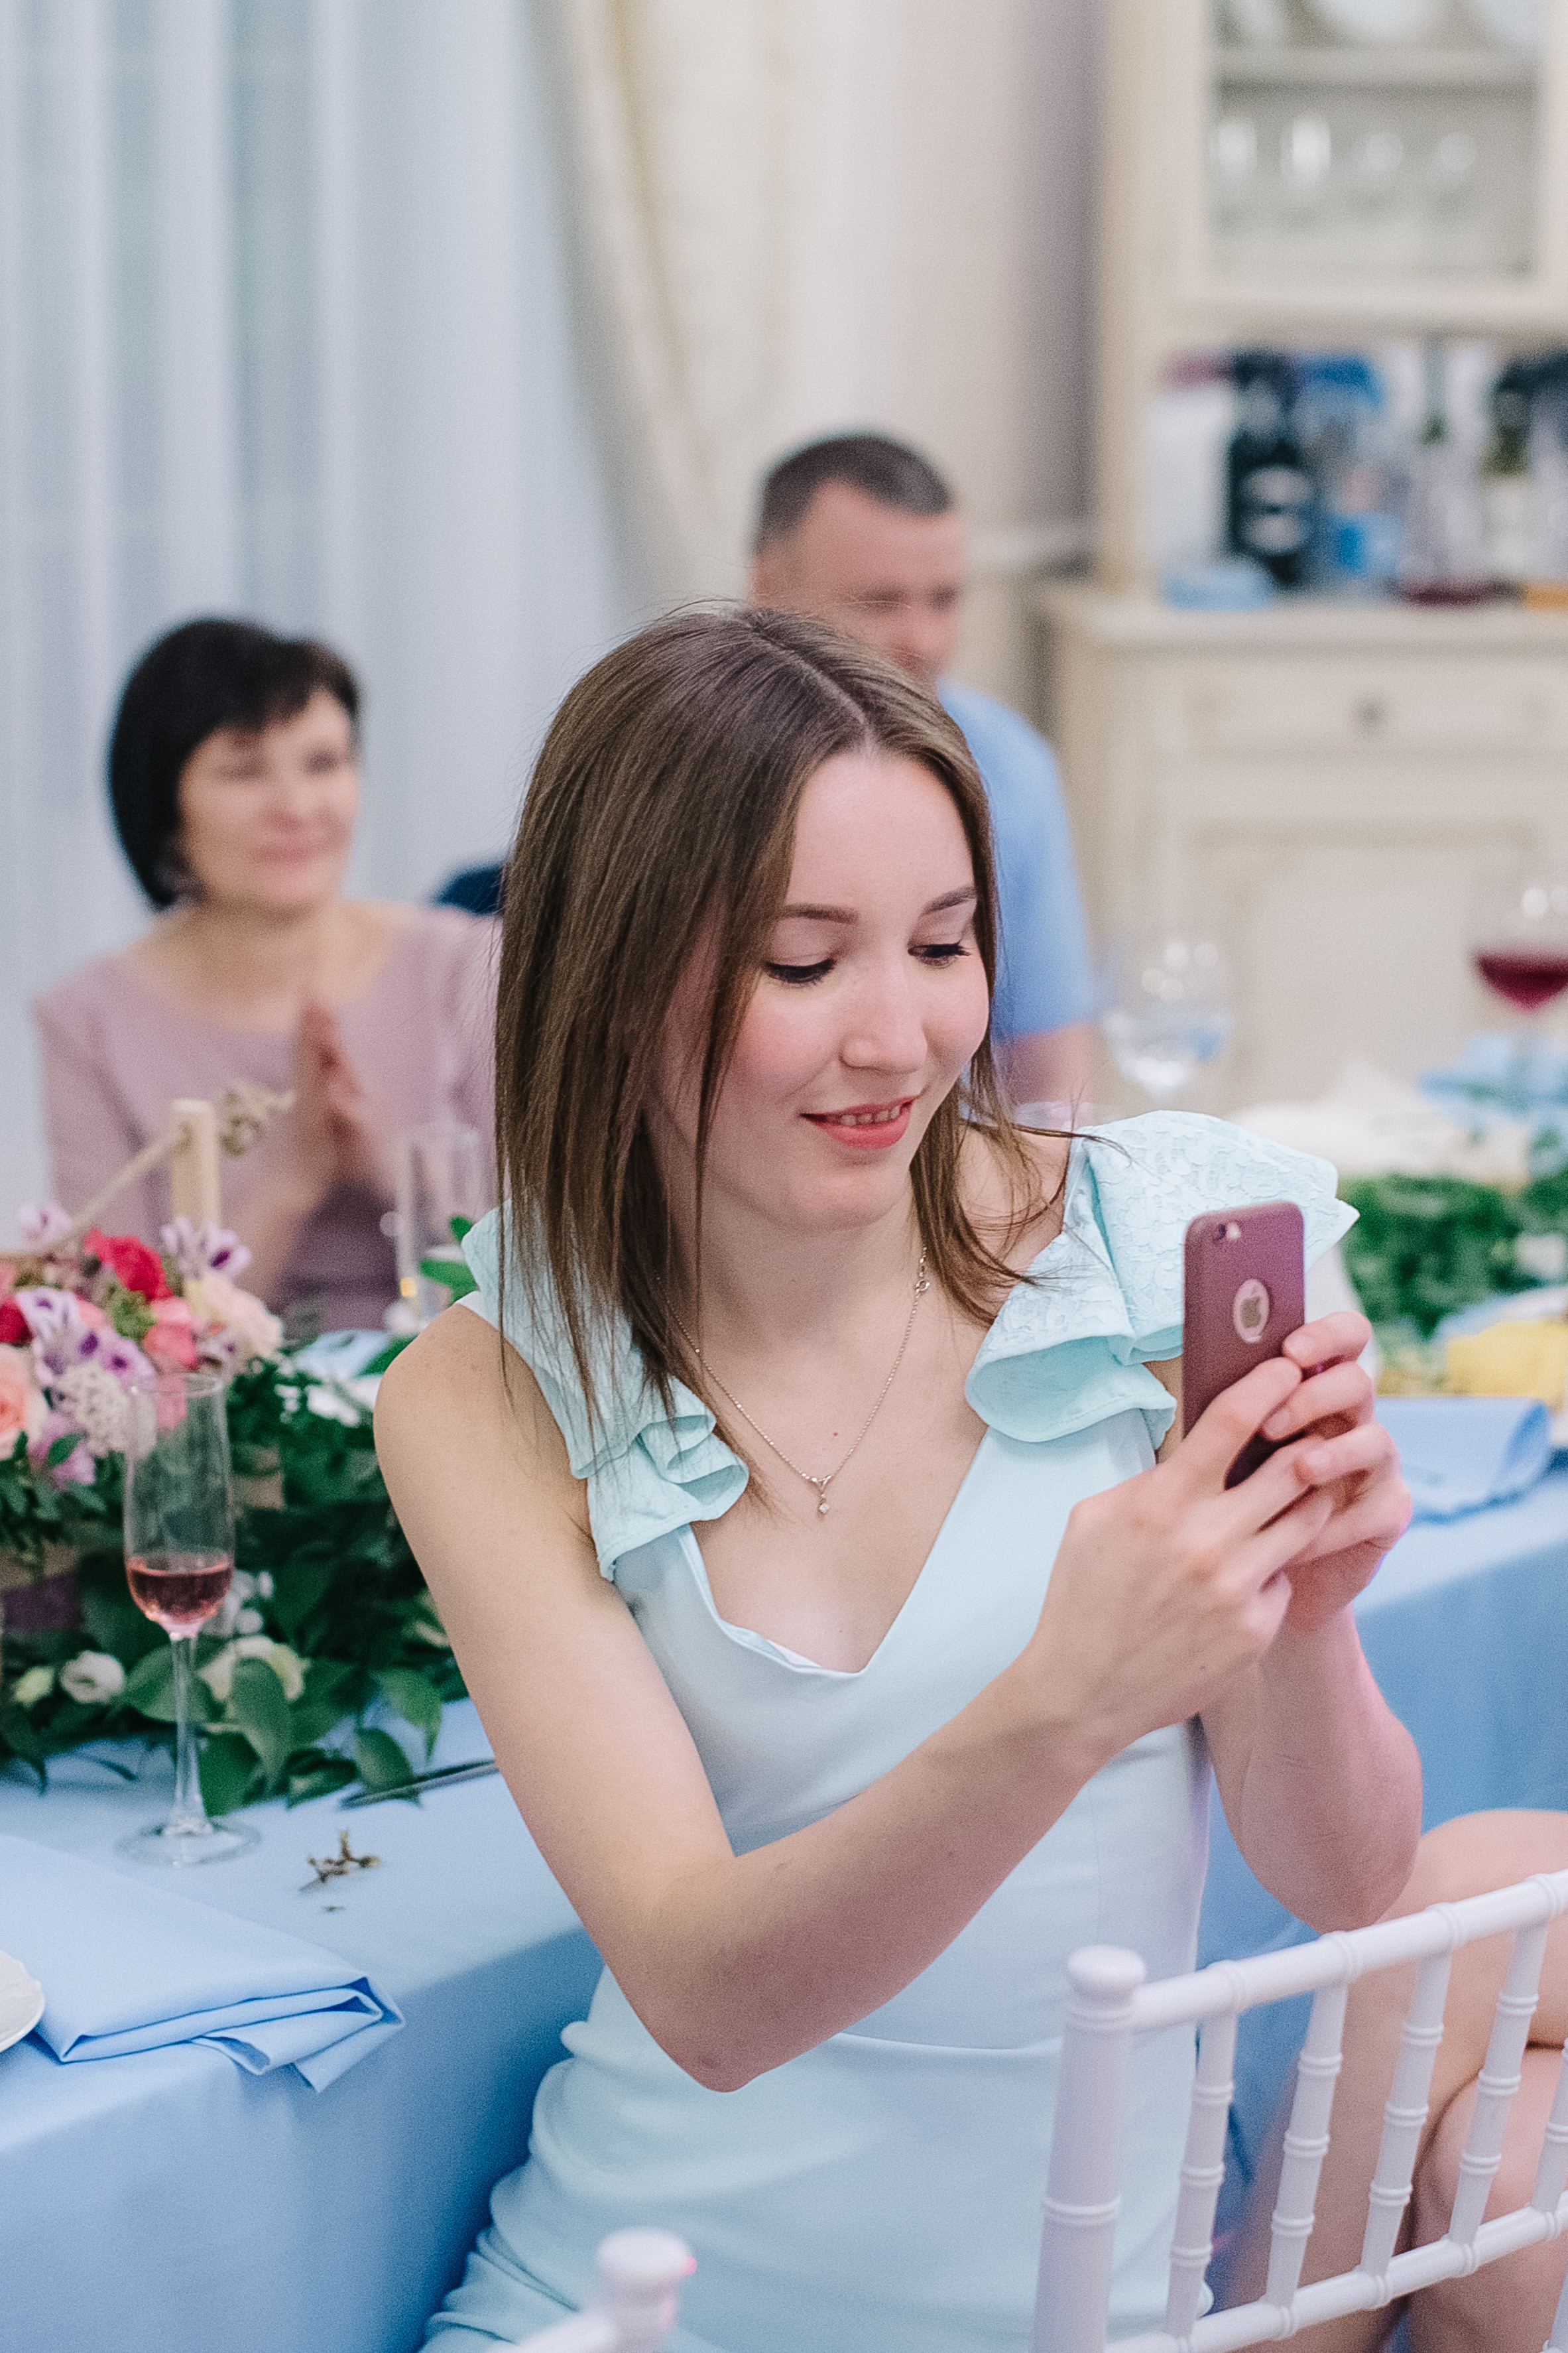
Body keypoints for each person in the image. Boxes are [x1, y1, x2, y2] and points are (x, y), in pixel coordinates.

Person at [375, 606, 1417, 2353]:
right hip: (629, 2297)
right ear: (611, 973)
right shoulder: (485, 1387)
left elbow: (1340, 1871)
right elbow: (703, 1996)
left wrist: (1296, 1622)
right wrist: (1065, 1698)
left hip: (1073, 2310)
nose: (901, 1039)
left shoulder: (1160, 1252)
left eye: (943, 944)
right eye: (803, 965)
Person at [34, 618, 496, 1336]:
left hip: (464, 1382)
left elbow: (548, 1269)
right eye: (244, 770)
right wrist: (291, 1176)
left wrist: (387, 1167)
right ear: (163, 802)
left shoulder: (468, 963)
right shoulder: (87, 1020)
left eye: (322, 763)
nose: (296, 807)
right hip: (237, 1428)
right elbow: (119, 1336)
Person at [747, 432, 1097, 1110]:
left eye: (943, 599)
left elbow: (1055, 1081)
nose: (924, 641)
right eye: (880, 602)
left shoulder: (1012, 767)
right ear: (767, 587)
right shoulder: (675, 773)